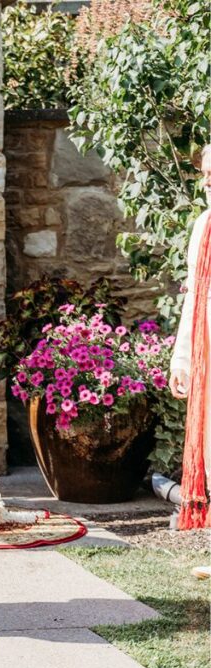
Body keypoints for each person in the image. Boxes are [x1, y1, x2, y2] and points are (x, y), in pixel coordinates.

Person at [169, 143, 211, 579]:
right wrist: (182, 359)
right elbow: (194, 297)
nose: (207, 181)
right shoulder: (204, 226)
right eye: (203, 173)